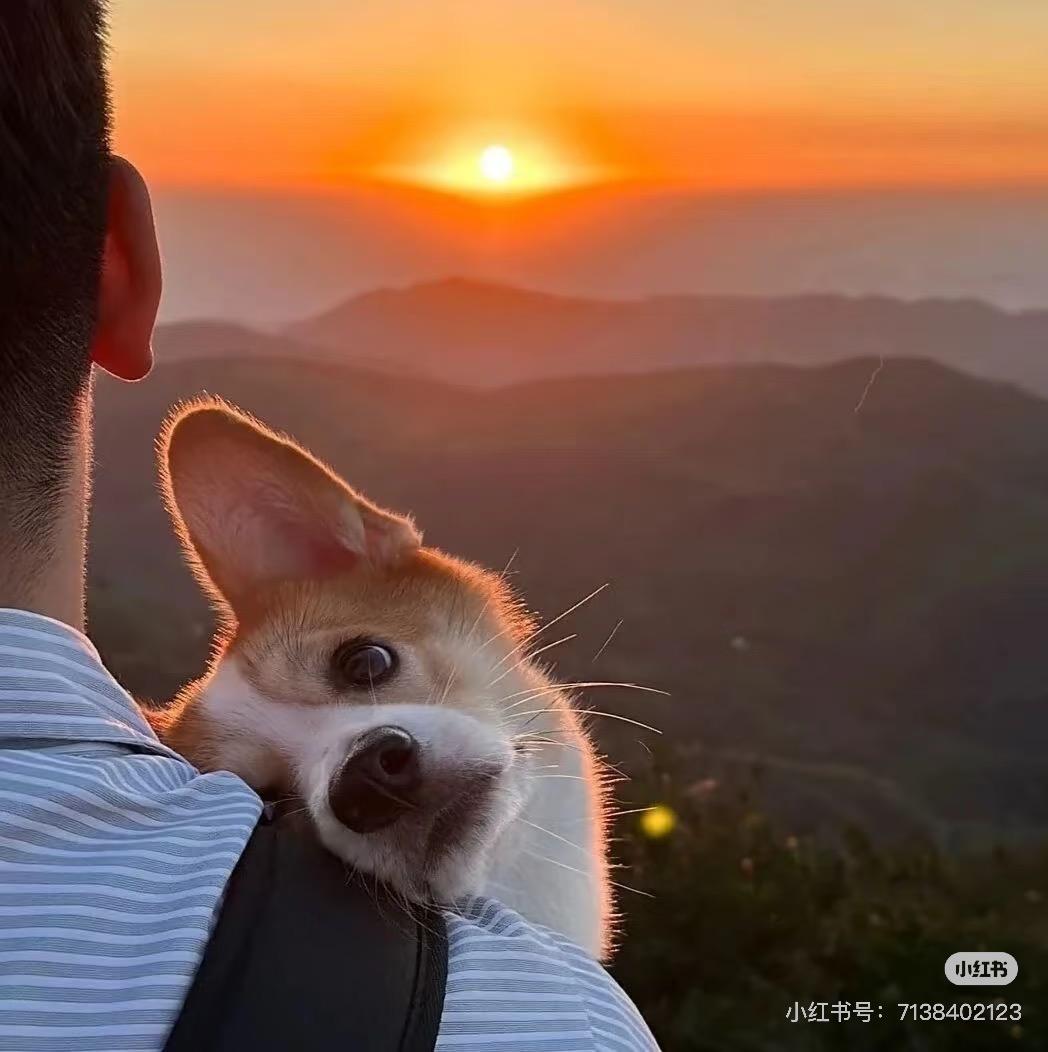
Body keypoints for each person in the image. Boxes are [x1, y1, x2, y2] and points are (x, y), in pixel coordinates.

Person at [0, 5, 659, 1050]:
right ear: (113, 261)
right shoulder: (548, 1024)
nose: (360, 769)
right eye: (267, 805)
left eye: (362, 663)